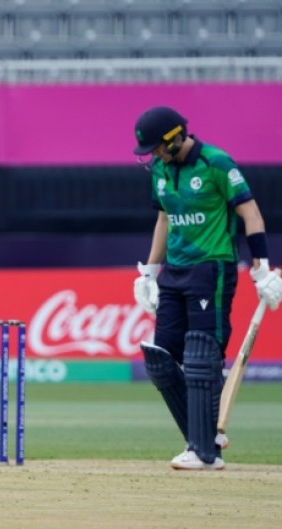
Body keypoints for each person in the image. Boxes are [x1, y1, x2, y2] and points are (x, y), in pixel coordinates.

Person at [132, 106, 282, 471]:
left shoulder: (216, 163)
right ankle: (205, 439)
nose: (153, 156)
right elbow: (164, 218)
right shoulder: (162, 172)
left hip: (211, 268)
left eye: (157, 148)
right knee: (160, 360)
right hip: (174, 271)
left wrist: (262, 269)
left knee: (200, 356)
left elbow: (251, 213)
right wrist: (149, 272)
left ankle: (203, 452)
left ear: (176, 137)